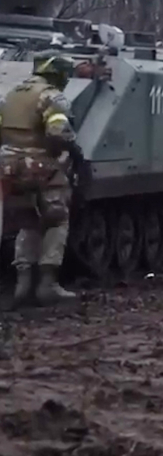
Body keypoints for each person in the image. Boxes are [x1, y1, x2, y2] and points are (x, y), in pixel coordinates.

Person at [0, 50, 82, 307]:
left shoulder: (12, 95)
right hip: (40, 167)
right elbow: (58, 132)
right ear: (56, 73)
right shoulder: (51, 96)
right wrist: (72, 152)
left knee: (26, 222)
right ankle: (48, 284)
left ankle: (22, 285)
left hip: (8, 166)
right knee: (56, 218)